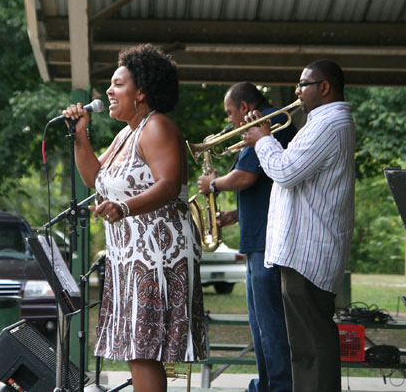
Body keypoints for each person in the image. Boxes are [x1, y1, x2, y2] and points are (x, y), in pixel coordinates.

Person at [61, 44, 208, 392]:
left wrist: (124, 208)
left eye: (118, 84)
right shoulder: (127, 133)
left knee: (145, 351)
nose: (109, 92)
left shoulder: (157, 127)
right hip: (130, 256)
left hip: (158, 257)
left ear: (141, 92)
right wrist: (81, 135)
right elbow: (93, 178)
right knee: (137, 350)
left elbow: (169, 185)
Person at [241, 60, 355, 392]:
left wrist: (263, 139)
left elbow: (286, 171)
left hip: (309, 251)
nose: (297, 92)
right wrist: (263, 140)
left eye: (303, 85)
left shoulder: (328, 125)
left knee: (311, 348)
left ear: (324, 87)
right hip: (303, 249)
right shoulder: (321, 123)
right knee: (304, 349)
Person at [196, 82, 296, 392]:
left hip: (268, 243)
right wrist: (235, 215)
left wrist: (213, 185)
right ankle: (267, 384)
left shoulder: (266, 124)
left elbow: (246, 177)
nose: (230, 122)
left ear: (243, 107)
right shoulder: (261, 127)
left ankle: (277, 387)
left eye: (229, 113)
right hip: (258, 239)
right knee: (260, 325)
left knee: (270, 325)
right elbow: (264, 187)